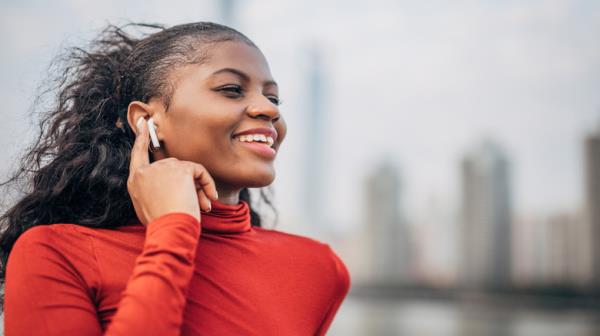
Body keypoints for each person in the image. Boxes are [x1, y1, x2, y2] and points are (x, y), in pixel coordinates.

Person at [0, 22, 350, 335]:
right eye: (231, 89)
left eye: (272, 97)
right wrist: (173, 230)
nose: (270, 110)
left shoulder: (318, 269)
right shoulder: (55, 253)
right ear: (146, 121)